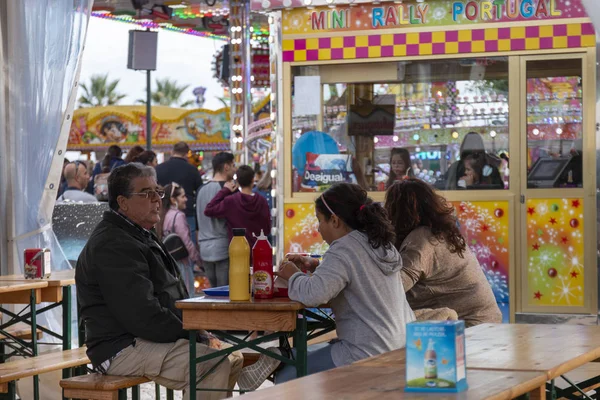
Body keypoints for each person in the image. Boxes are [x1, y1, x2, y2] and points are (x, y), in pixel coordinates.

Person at [75, 163, 244, 400]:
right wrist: (193, 333)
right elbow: (142, 315)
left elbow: (167, 296)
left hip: (141, 337)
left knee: (233, 356)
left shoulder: (138, 232)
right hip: (119, 347)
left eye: (158, 192)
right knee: (210, 363)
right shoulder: (113, 243)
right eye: (147, 193)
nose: (157, 199)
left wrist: (199, 329)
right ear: (123, 202)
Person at [266, 183, 415, 387]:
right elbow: (357, 272)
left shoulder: (343, 249)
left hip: (366, 352)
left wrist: (293, 275)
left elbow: (313, 295)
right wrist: (317, 265)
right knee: (298, 356)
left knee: (287, 374)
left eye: (320, 221)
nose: (318, 229)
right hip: (402, 347)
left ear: (334, 220)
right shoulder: (378, 243)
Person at [384, 179, 502, 327]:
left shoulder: (422, 240)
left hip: (469, 328)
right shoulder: (441, 232)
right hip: (486, 321)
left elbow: (392, 290)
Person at [204, 165, 271, 250]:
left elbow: (209, 210)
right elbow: (267, 228)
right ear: (252, 180)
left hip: (238, 249)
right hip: (258, 249)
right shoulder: (262, 201)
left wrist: (225, 190)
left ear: (237, 182)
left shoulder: (230, 201)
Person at [196, 152, 236, 288]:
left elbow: (198, 222)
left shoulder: (201, 189)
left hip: (204, 248)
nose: (235, 169)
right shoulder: (229, 189)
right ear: (226, 167)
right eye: (233, 165)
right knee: (225, 293)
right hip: (223, 247)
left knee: (213, 293)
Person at [157, 183, 201, 297]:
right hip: (181, 262)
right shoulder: (178, 216)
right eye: (182, 196)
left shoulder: (162, 215)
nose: (185, 199)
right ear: (173, 199)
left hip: (168, 262)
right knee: (187, 295)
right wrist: (197, 259)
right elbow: (186, 241)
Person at [156, 142, 203, 244]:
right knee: (188, 244)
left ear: (172, 152)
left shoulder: (158, 169)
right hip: (187, 212)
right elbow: (200, 191)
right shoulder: (192, 170)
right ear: (187, 154)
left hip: (163, 213)